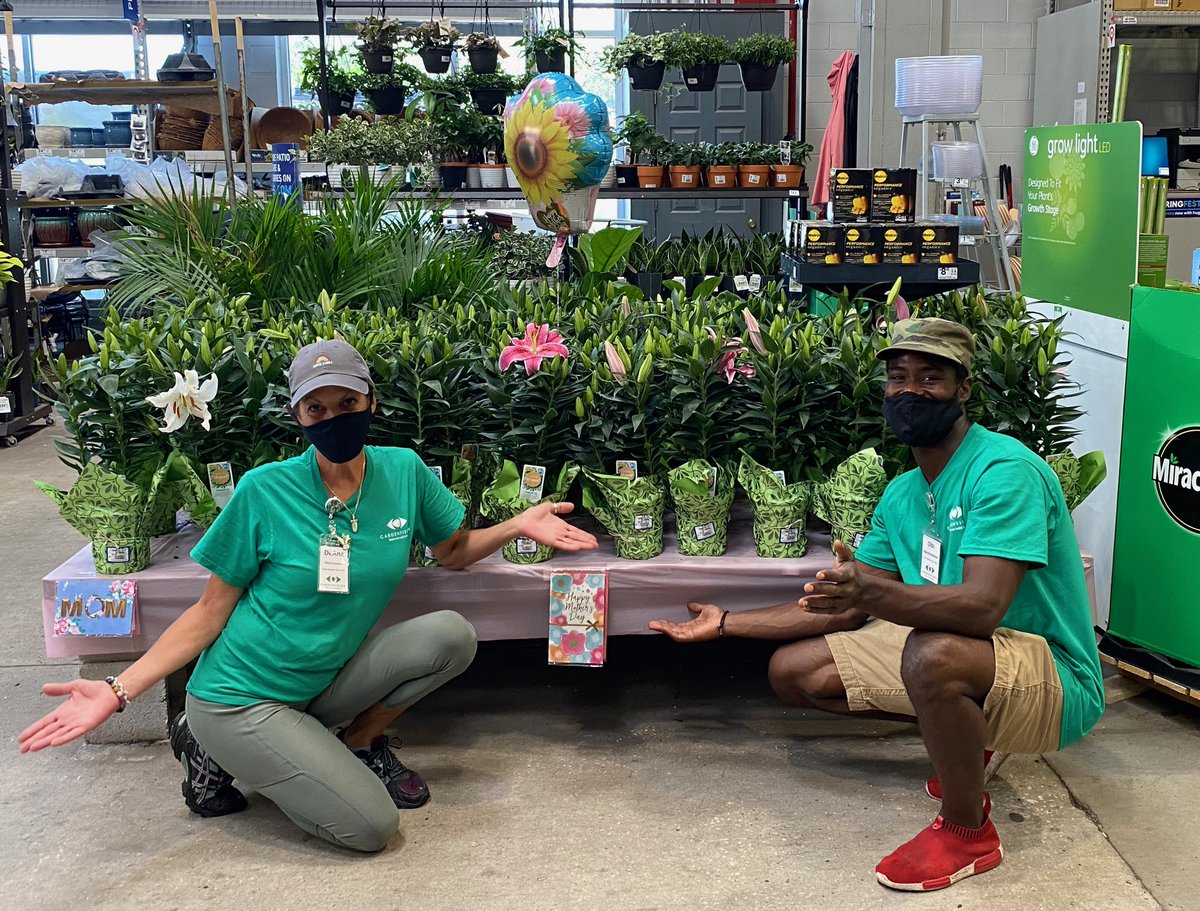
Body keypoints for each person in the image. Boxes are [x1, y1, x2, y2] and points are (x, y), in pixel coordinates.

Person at [20, 338, 598, 852]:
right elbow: (208, 613)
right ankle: (209, 741)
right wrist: (118, 690)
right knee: (371, 828)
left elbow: (452, 549)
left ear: (371, 401)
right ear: (297, 415)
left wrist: (517, 524)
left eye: (347, 403)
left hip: (325, 679)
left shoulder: (404, 472)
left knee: (451, 635)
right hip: (241, 698)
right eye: (315, 408)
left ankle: (358, 740)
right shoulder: (264, 490)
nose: (333, 418)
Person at [650, 318, 1104, 892]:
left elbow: (982, 607)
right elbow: (844, 606)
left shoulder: (1003, 471)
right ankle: (969, 741)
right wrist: (726, 624)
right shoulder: (902, 493)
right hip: (977, 655)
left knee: (932, 654)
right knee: (795, 671)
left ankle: (967, 832)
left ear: (964, 390)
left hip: (1052, 673)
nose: (910, 391)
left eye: (930, 378)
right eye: (897, 378)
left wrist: (871, 592)